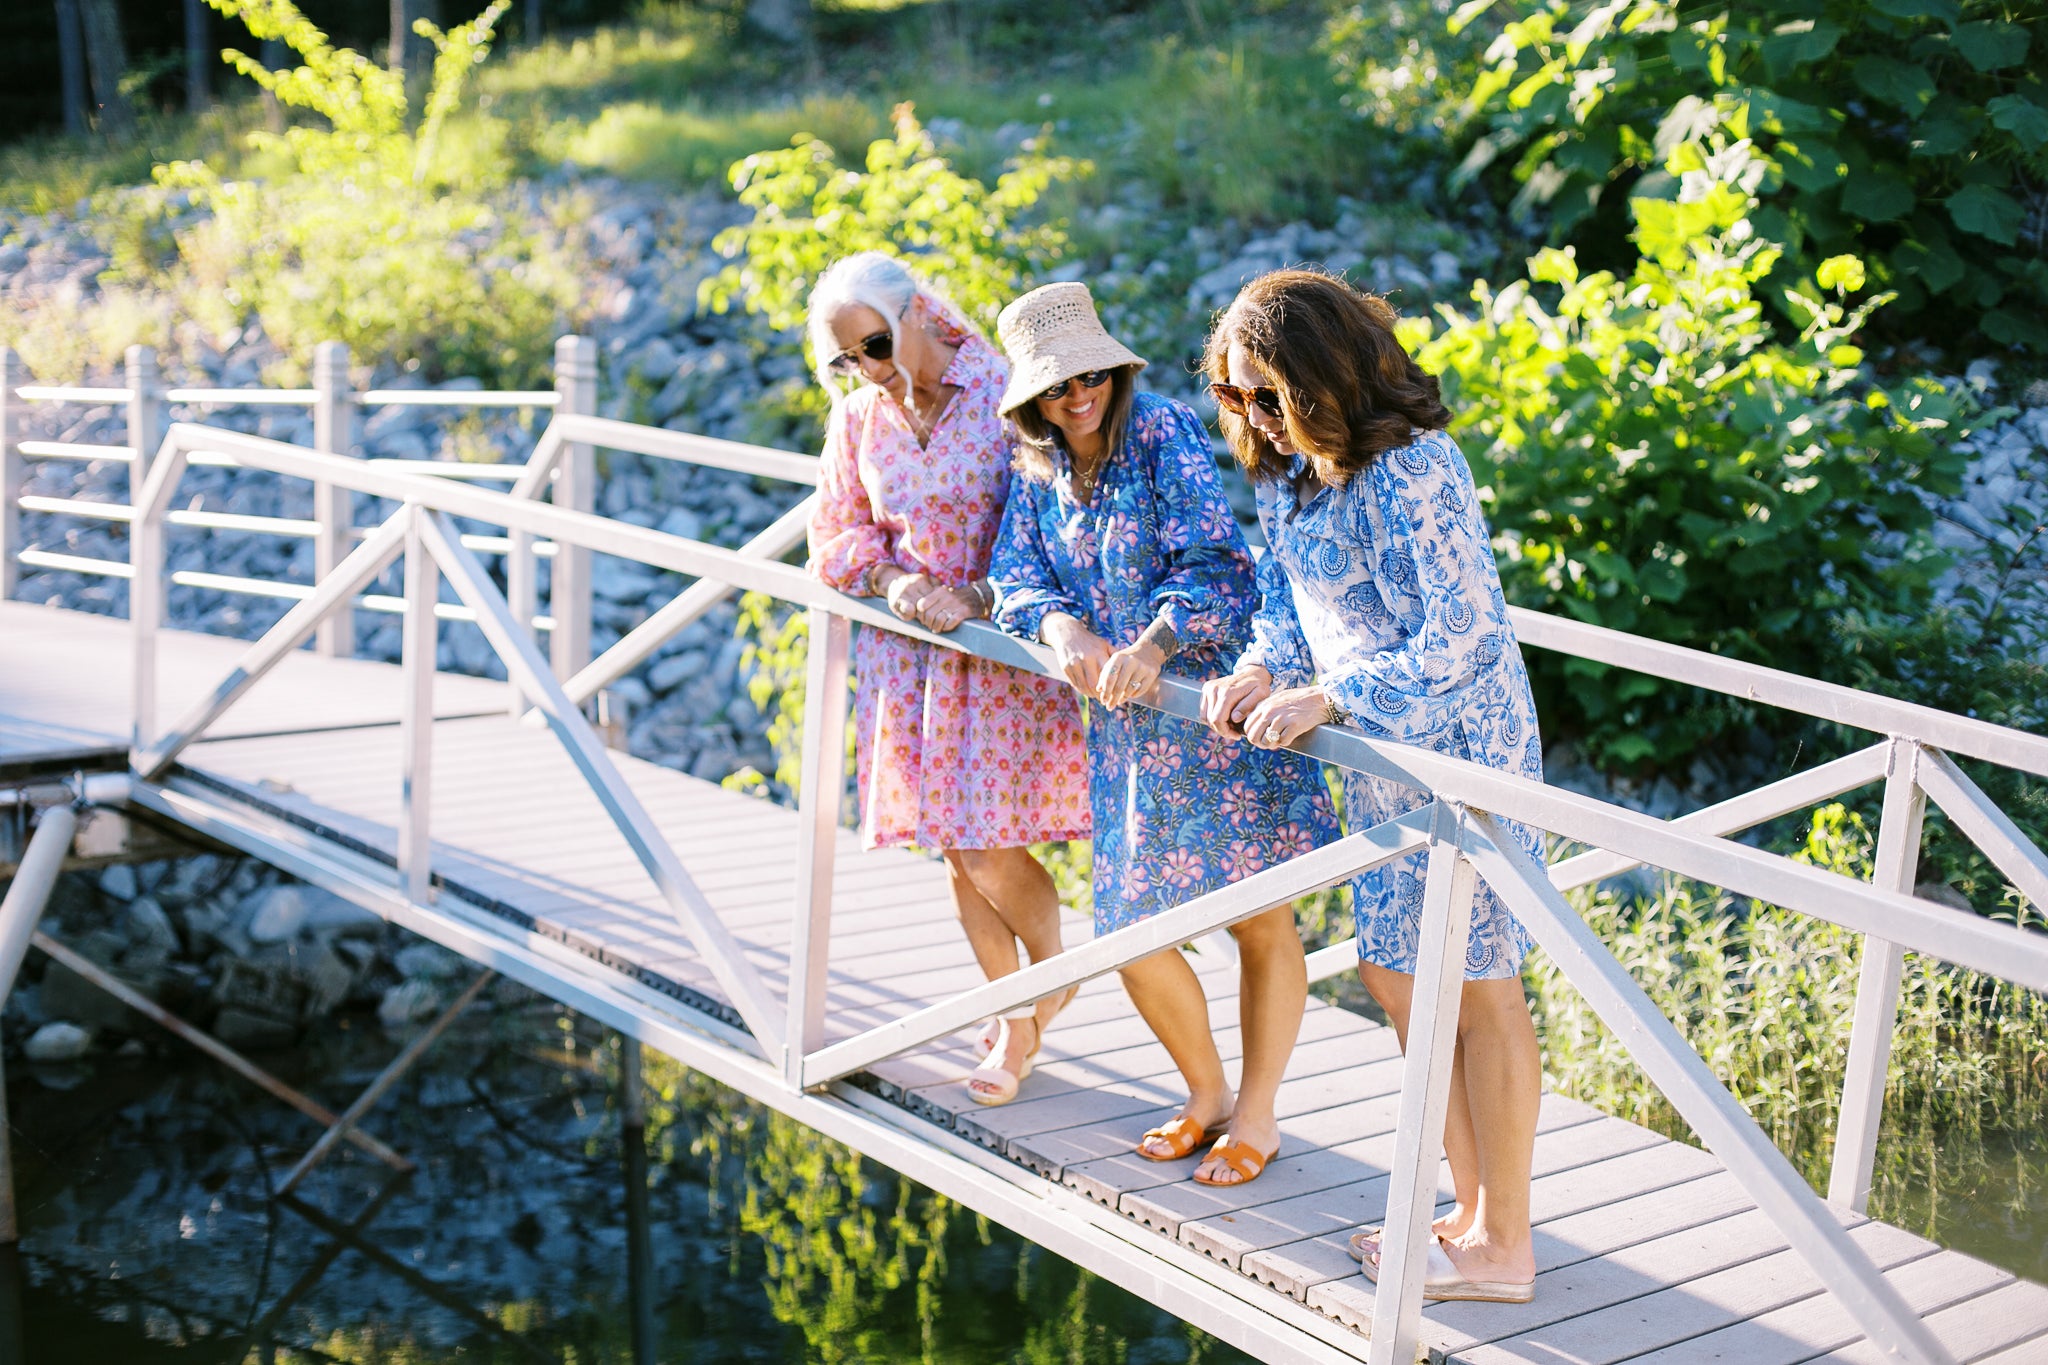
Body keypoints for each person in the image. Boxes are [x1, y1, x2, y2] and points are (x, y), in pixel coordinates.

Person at [1198, 269, 1545, 1302]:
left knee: (1479, 988)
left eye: (1270, 393)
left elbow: (1471, 636)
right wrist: (1262, 666)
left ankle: (1505, 1247)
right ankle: (1468, 1209)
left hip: (1461, 747)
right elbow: (1285, 605)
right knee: (1397, 976)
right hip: (1375, 760)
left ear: (1323, 374)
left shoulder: (1415, 468)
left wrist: (1334, 698)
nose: (1254, 416)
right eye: (1234, 396)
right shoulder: (1284, 475)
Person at [988, 282, 1338, 1187]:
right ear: (1031, 399)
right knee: (1132, 930)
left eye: (1092, 374)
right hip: (1128, 741)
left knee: (1261, 916)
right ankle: (1207, 1091)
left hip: (1213, 707)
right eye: (1059, 385)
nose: (1080, 395)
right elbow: (1015, 575)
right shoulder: (1034, 468)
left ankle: (1256, 1113)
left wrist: (1155, 640)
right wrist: (1061, 629)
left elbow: (1221, 564)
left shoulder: (1164, 432)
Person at [804, 251, 1091, 1107]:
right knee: (954, 848)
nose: (865, 368)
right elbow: (835, 534)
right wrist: (896, 582)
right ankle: (1017, 1012)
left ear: (920, 314)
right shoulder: (859, 421)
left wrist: (982, 589)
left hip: (997, 649)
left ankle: (1044, 985)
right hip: (911, 659)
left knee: (987, 845)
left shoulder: (1004, 392)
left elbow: (1054, 518)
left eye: (875, 344)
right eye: (845, 357)